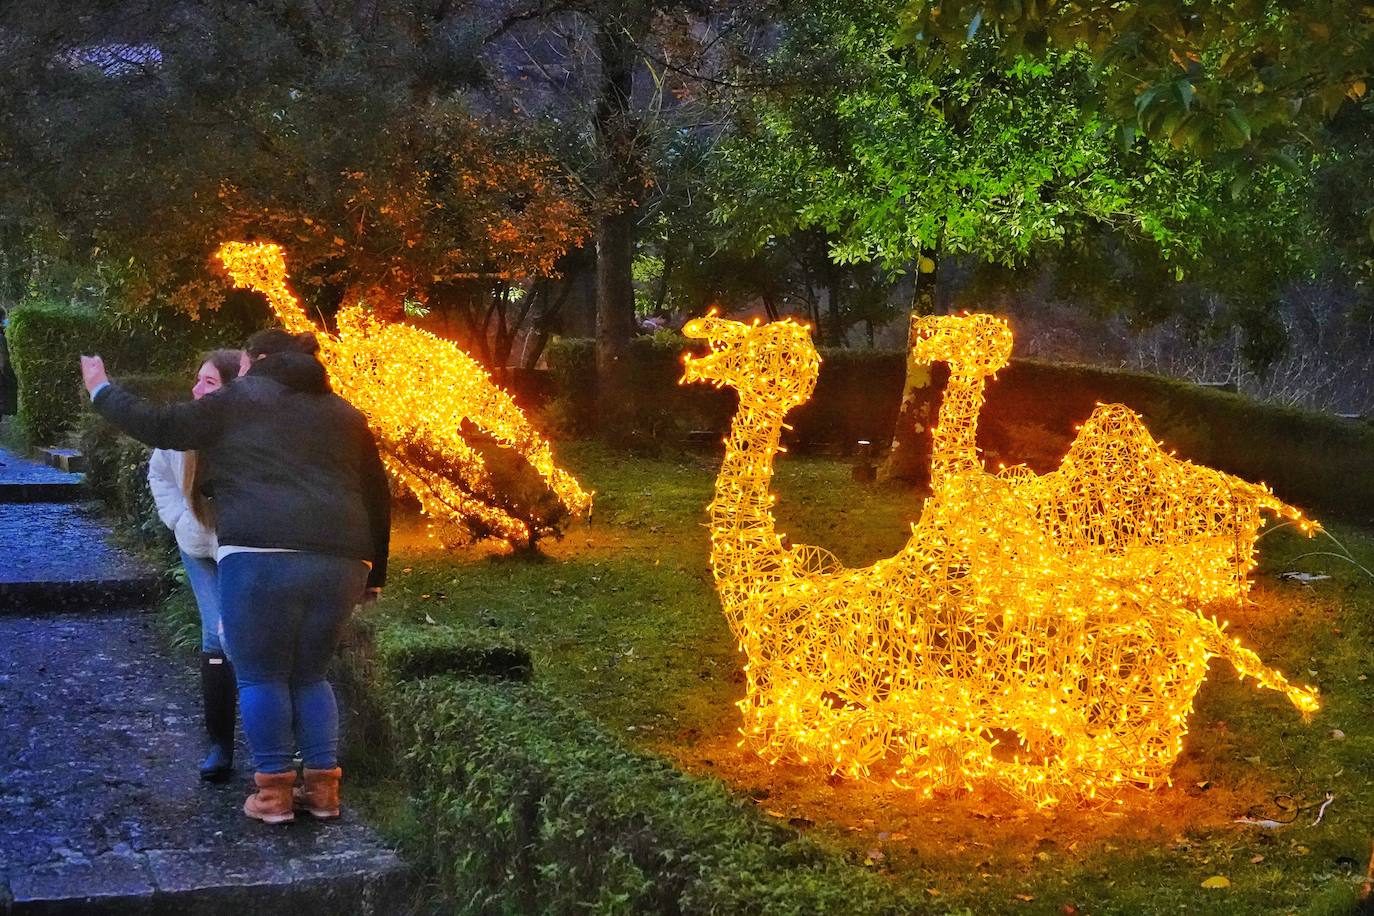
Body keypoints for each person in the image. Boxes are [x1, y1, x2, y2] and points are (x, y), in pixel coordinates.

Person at [81, 328, 390, 824]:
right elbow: (377, 495)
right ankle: (324, 792)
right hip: (343, 561)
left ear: (258, 359)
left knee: (262, 676)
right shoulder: (346, 414)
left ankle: (273, 796)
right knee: (311, 675)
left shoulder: (237, 400)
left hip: (259, 553)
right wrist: (376, 574)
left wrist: (101, 389)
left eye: (242, 364)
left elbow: (162, 425)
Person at [146, 349, 244, 782]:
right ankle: (220, 745)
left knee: (249, 636)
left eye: (210, 383)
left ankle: (279, 746)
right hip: (196, 544)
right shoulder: (182, 426)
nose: (197, 389)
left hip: (242, 547)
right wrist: (180, 520)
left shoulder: (246, 434)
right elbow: (159, 475)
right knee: (214, 635)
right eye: (198, 380)